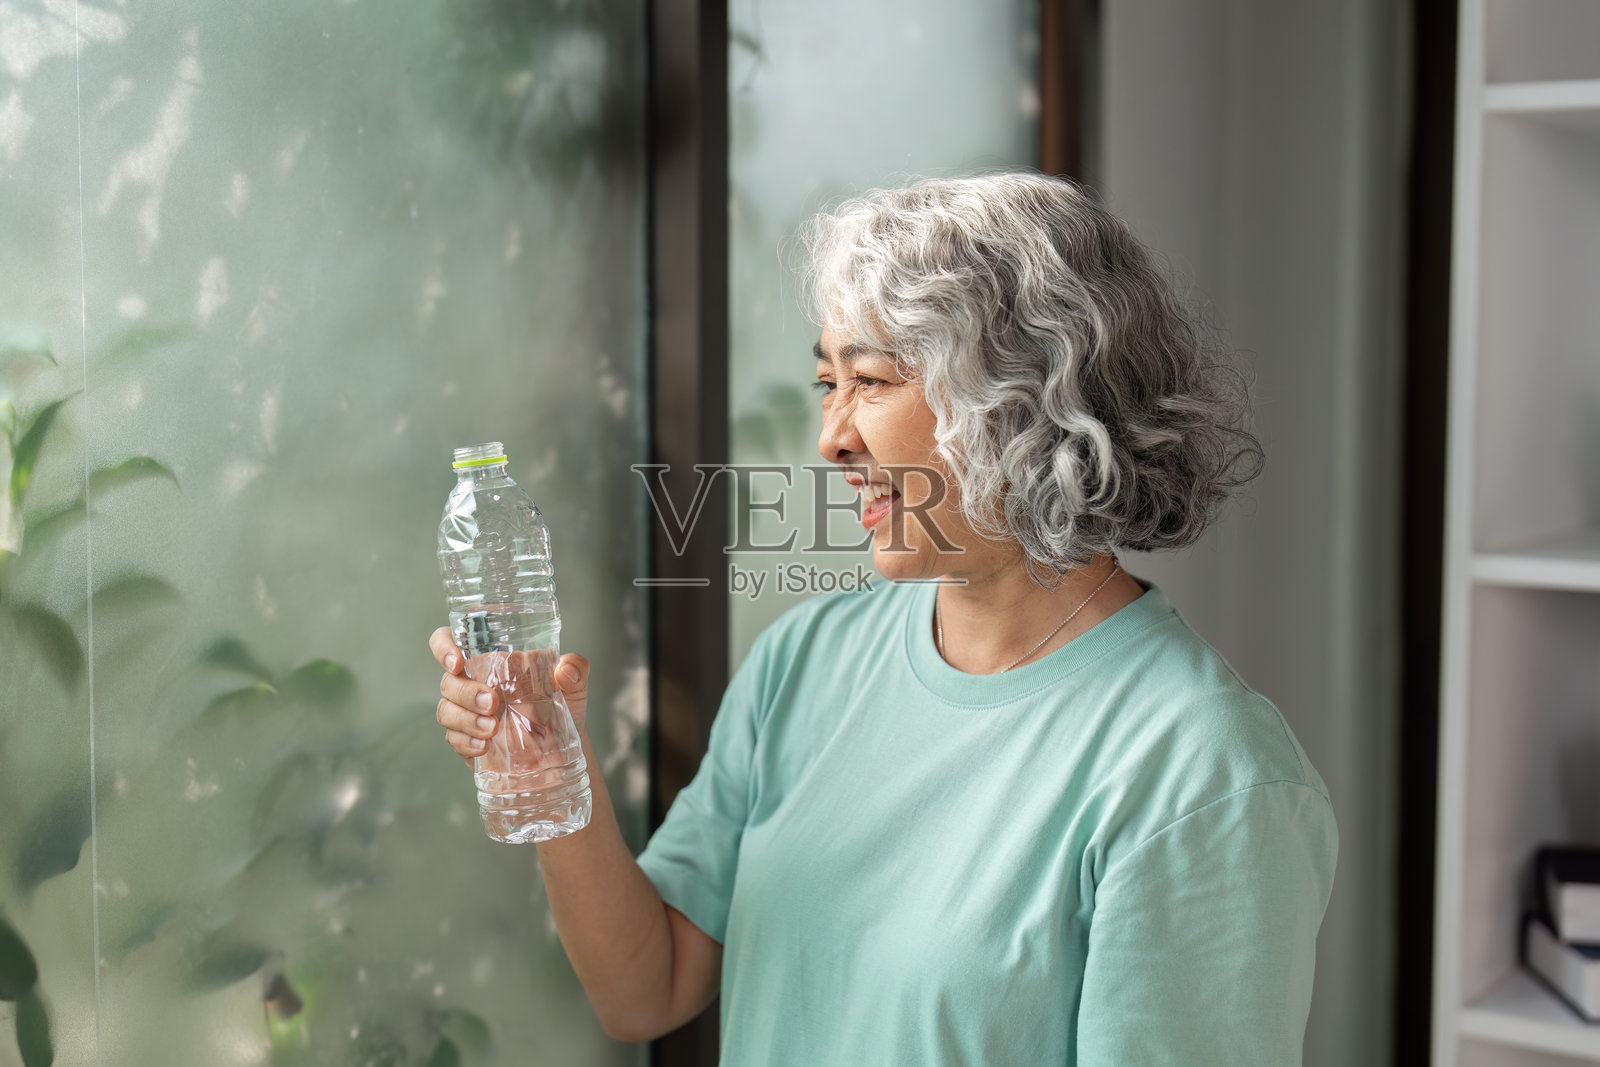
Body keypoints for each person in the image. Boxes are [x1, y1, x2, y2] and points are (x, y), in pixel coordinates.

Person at [430, 172, 1337, 1065]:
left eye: (870, 380)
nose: (831, 435)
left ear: (1023, 403)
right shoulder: (805, 661)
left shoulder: (1203, 774)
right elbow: (647, 987)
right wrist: (553, 769)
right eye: (828, 381)